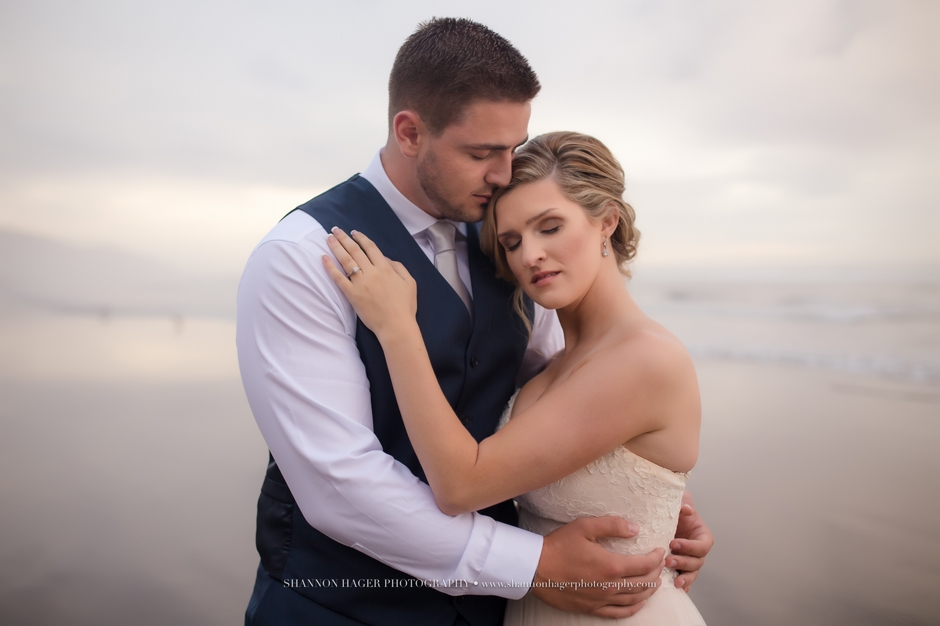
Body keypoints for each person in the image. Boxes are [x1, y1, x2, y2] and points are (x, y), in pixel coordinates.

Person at [237, 18, 713, 626]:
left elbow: (573, 404)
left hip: (493, 613)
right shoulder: (301, 256)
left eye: (512, 149)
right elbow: (340, 484)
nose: (502, 172)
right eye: (482, 153)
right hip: (338, 605)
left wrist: (654, 498)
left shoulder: (507, 246)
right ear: (410, 133)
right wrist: (534, 564)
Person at [323, 131, 707, 625]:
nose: (529, 256)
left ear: (606, 220)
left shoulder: (645, 359)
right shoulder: (556, 363)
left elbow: (462, 485)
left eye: (549, 227)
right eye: (512, 242)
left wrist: (399, 329)